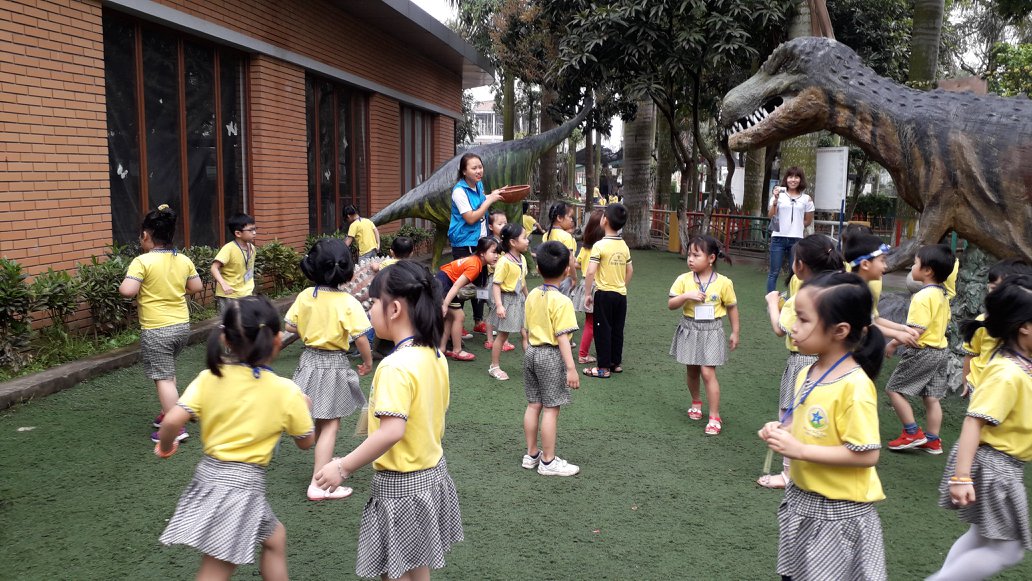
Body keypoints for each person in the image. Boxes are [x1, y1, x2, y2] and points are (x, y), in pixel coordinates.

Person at [313, 261, 463, 581]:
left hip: (400, 485)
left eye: (373, 303)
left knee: (392, 570)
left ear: (394, 309)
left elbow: (392, 431)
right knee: (417, 562)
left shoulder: (395, 366)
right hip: (432, 474)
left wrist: (342, 467)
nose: (369, 311)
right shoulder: (434, 354)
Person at [155, 296, 315, 580]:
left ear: (225, 339)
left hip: (208, 476)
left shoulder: (209, 377)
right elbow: (306, 442)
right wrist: (306, 409)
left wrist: (166, 447)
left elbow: (171, 420)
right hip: (241, 487)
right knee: (216, 568)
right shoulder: (286, 390)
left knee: (274, 537)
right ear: (277, 340)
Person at [759, 271, 888, 581]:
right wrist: (783, 429)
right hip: (803, 502)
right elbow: (811, 424)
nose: (792, 326)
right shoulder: (809, 372)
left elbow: (866, 454)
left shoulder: (855, 387)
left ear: (839, 330)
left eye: (803, 319)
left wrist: (800, 450)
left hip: (837, 514)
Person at [927, 274, 1032, 581]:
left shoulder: (1020, 362)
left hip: (1001, 463)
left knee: (981, 536)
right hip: (995, 465)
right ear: (1024, 327)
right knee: (1009, 549)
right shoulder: (1007, 373)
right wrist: (961, 477)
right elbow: (974, 421)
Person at [285, 238, 373, 501]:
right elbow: (360, 337)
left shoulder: (305, 296)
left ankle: (316, 451)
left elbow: (290, 326)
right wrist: (368, 362)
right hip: (333, 364)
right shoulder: (347, 302)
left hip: (308, 361)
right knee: (331, 423)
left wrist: (310, 326)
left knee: (319, 418)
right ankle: (319, 484)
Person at [759, 235, 843, 488]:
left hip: (802, 362)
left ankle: (788, 473)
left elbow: (780, 329)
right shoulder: (838, 290)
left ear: (799, 265)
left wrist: (772, 303)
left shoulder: (802, 297)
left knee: (789, 414)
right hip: (833, 361)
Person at [118, 204, 203, 443]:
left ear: (146, 235)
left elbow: (127, 290)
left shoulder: (142, 261)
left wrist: (131, 286)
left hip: (157, 329)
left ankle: (174, 427)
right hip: (181, 327)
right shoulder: (183, 259)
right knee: (168, 371)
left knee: (163, 378)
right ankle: (169, 412)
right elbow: (196, 286)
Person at [884, 244, 955, 455]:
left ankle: (912, 432)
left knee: (894, 389)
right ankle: (933, 440)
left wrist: (893, 342)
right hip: (941, 352)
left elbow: (916, 330)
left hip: (923, 352)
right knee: (931, 397)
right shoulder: (942, 295)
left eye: (915, 263)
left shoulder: (922, 297)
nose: (913, 267)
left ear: (927, 271)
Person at [668, 235, 740, 436]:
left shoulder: (724, 283)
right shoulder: (683, 279)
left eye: (696, 255)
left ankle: (714, 416)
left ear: (711, 258)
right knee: (692, 370)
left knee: (708, 372)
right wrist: (686, 296)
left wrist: (735, 332)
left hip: (712, 330)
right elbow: (671, 304)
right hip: (689, 328)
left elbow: (732, 307)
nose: (690, 259)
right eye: (689, 255)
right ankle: (696, 402)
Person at [521, 241, 582, 476]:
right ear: (567, 270)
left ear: (538, 267)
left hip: (531, 352)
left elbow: (526, 328)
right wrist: (571, 368)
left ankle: (532, 454)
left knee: (533, 404)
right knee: (551, 409)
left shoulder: (533, 294)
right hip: (550, 355)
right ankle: (548, 461)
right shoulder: (563, 301)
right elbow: (562, 337)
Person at [449, 153, 506, 337]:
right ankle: (457, 322)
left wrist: (494, 195)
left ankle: (478, 321)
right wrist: (489, 200)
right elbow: (471, 217)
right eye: (474, 168)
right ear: (464, 171)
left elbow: (481, 201)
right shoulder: (459, 191)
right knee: (463, 283)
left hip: (480, 241)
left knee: (480, 282)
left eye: (480, 167)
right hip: (464, 242)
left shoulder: (478, 185)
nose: (478, 171)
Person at [961, 259, 1032, 396]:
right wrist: (965, 381)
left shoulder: (1025, 329)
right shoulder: (982, 322)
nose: (998, 295)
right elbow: (971, 354)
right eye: (993, 288)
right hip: (981, 385)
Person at [843, 234, 922, 347]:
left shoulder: (861, 288)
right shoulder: (853, 291)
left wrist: (903, 328)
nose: (885, 266)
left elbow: (872, 320)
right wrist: (897, 334)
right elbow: (863, 325)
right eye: (882, 260)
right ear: (865, 264)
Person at [583, 203, 632, 378]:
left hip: (603, 294)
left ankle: (603, 368)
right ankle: (615, 363)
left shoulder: (599, 245)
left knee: (602, 329)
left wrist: (587, 294)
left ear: (605, 220)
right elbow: (630, 270)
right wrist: (621, 286)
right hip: (621, 295)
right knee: (617, 329)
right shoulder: (624, 245)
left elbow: (590, 271)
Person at [437, 237, 500, 361]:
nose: (496, 256)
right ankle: (457, 350)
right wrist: (445, 304)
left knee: (450, 317)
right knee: (459, 316)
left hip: (443, 281)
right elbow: (456, 285)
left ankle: (441, 348)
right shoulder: (475, 266)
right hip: (445, 284)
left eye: (497, 252)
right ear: (482, 253)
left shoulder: (476, 261)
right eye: (493, 252)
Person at [487, 223, 530, 381]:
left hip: (519, 300)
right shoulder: (504, 261)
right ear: (513, 242)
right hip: (508, 301)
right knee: (503, 335)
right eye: (524, 238)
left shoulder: (522, 259)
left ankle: (531, 365)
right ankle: (494, 366)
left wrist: (528, 298)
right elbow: (496, 284)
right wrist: (499, 305)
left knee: (526, 333)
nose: (527, 241)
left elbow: (522, 282)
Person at [766, 167, 815, 293]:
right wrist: (775, 200)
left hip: (796, 240)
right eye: (790, 177)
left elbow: (808, 221)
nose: (793, 180)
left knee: (795, 273)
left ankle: (794, 299)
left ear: (800, 179)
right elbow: (770, 216)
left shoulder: (807, 199)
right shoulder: (778, 196)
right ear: (786, 179)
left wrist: (796, 227)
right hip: (778, 238)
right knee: (774, 272)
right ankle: (770, 299)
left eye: (796, 177)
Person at [572, 209, 604, 365]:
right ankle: (583, 354)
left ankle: (589, 352)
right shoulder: (601, 248)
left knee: (592, 322)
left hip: (585, 284)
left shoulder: (585, 248)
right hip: (596, 286)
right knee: (593, 323)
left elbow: (577, 263)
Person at [211, 212, 257, 314]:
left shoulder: (252, 248)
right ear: (238, 233)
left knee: (247, 320)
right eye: (250, 230)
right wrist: (224, 284)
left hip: (246, 293)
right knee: (232, 322)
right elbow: (214, 268)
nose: (254, 233)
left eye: (255, 229)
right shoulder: (229, 249)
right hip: (230, 294)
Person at [482, 210, 514, 353]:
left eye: (505, 223)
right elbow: (491, 264)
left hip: (503, 281)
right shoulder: (491, 243)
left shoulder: (506, 243)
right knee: (493, 309)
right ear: (491, 227)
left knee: (501, 309)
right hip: (493, 280)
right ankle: (491, 340)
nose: (503, 226)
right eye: (500, 224)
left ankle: (501, 340)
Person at [544, 202, 579, 294]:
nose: (571, 220)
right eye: (570, 217)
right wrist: (574, 277)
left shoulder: (546, 235)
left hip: (549, 278)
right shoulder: (566, 236)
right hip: (564, 278)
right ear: (559, 218)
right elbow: (570, 259)